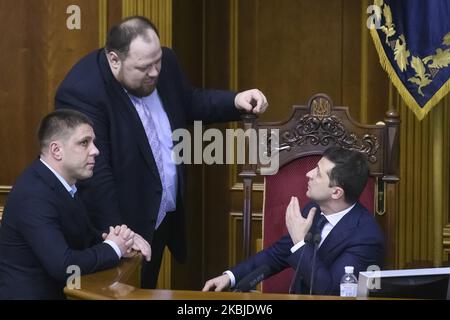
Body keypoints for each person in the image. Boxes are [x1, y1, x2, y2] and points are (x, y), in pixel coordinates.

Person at [55, 15, 269, 288]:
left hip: (159, 219)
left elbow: (188, 100)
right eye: (145, 67)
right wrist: (123, 238)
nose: (155, 72)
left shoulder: (163, 62)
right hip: (120, 229)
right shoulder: (83, 92)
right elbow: (95, 178)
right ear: (114, 60)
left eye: (158, 61)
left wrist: (235, 101)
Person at [0, 109, 151, 299]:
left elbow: (80, 236)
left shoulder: (59, 183)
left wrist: (119, 240)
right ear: (56, 150)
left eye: (93, 142)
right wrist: (113, 248)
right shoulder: (34, 195)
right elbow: (64, 266)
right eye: (84, 143)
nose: (95, 151)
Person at [202, 147, 384, 296]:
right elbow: (277, 255)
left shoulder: (366, 238)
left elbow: (329, 291)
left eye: (318, 173)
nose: (308, 173)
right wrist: (230, 276)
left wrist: (300, 244)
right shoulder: (313, 210)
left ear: (336, 192)